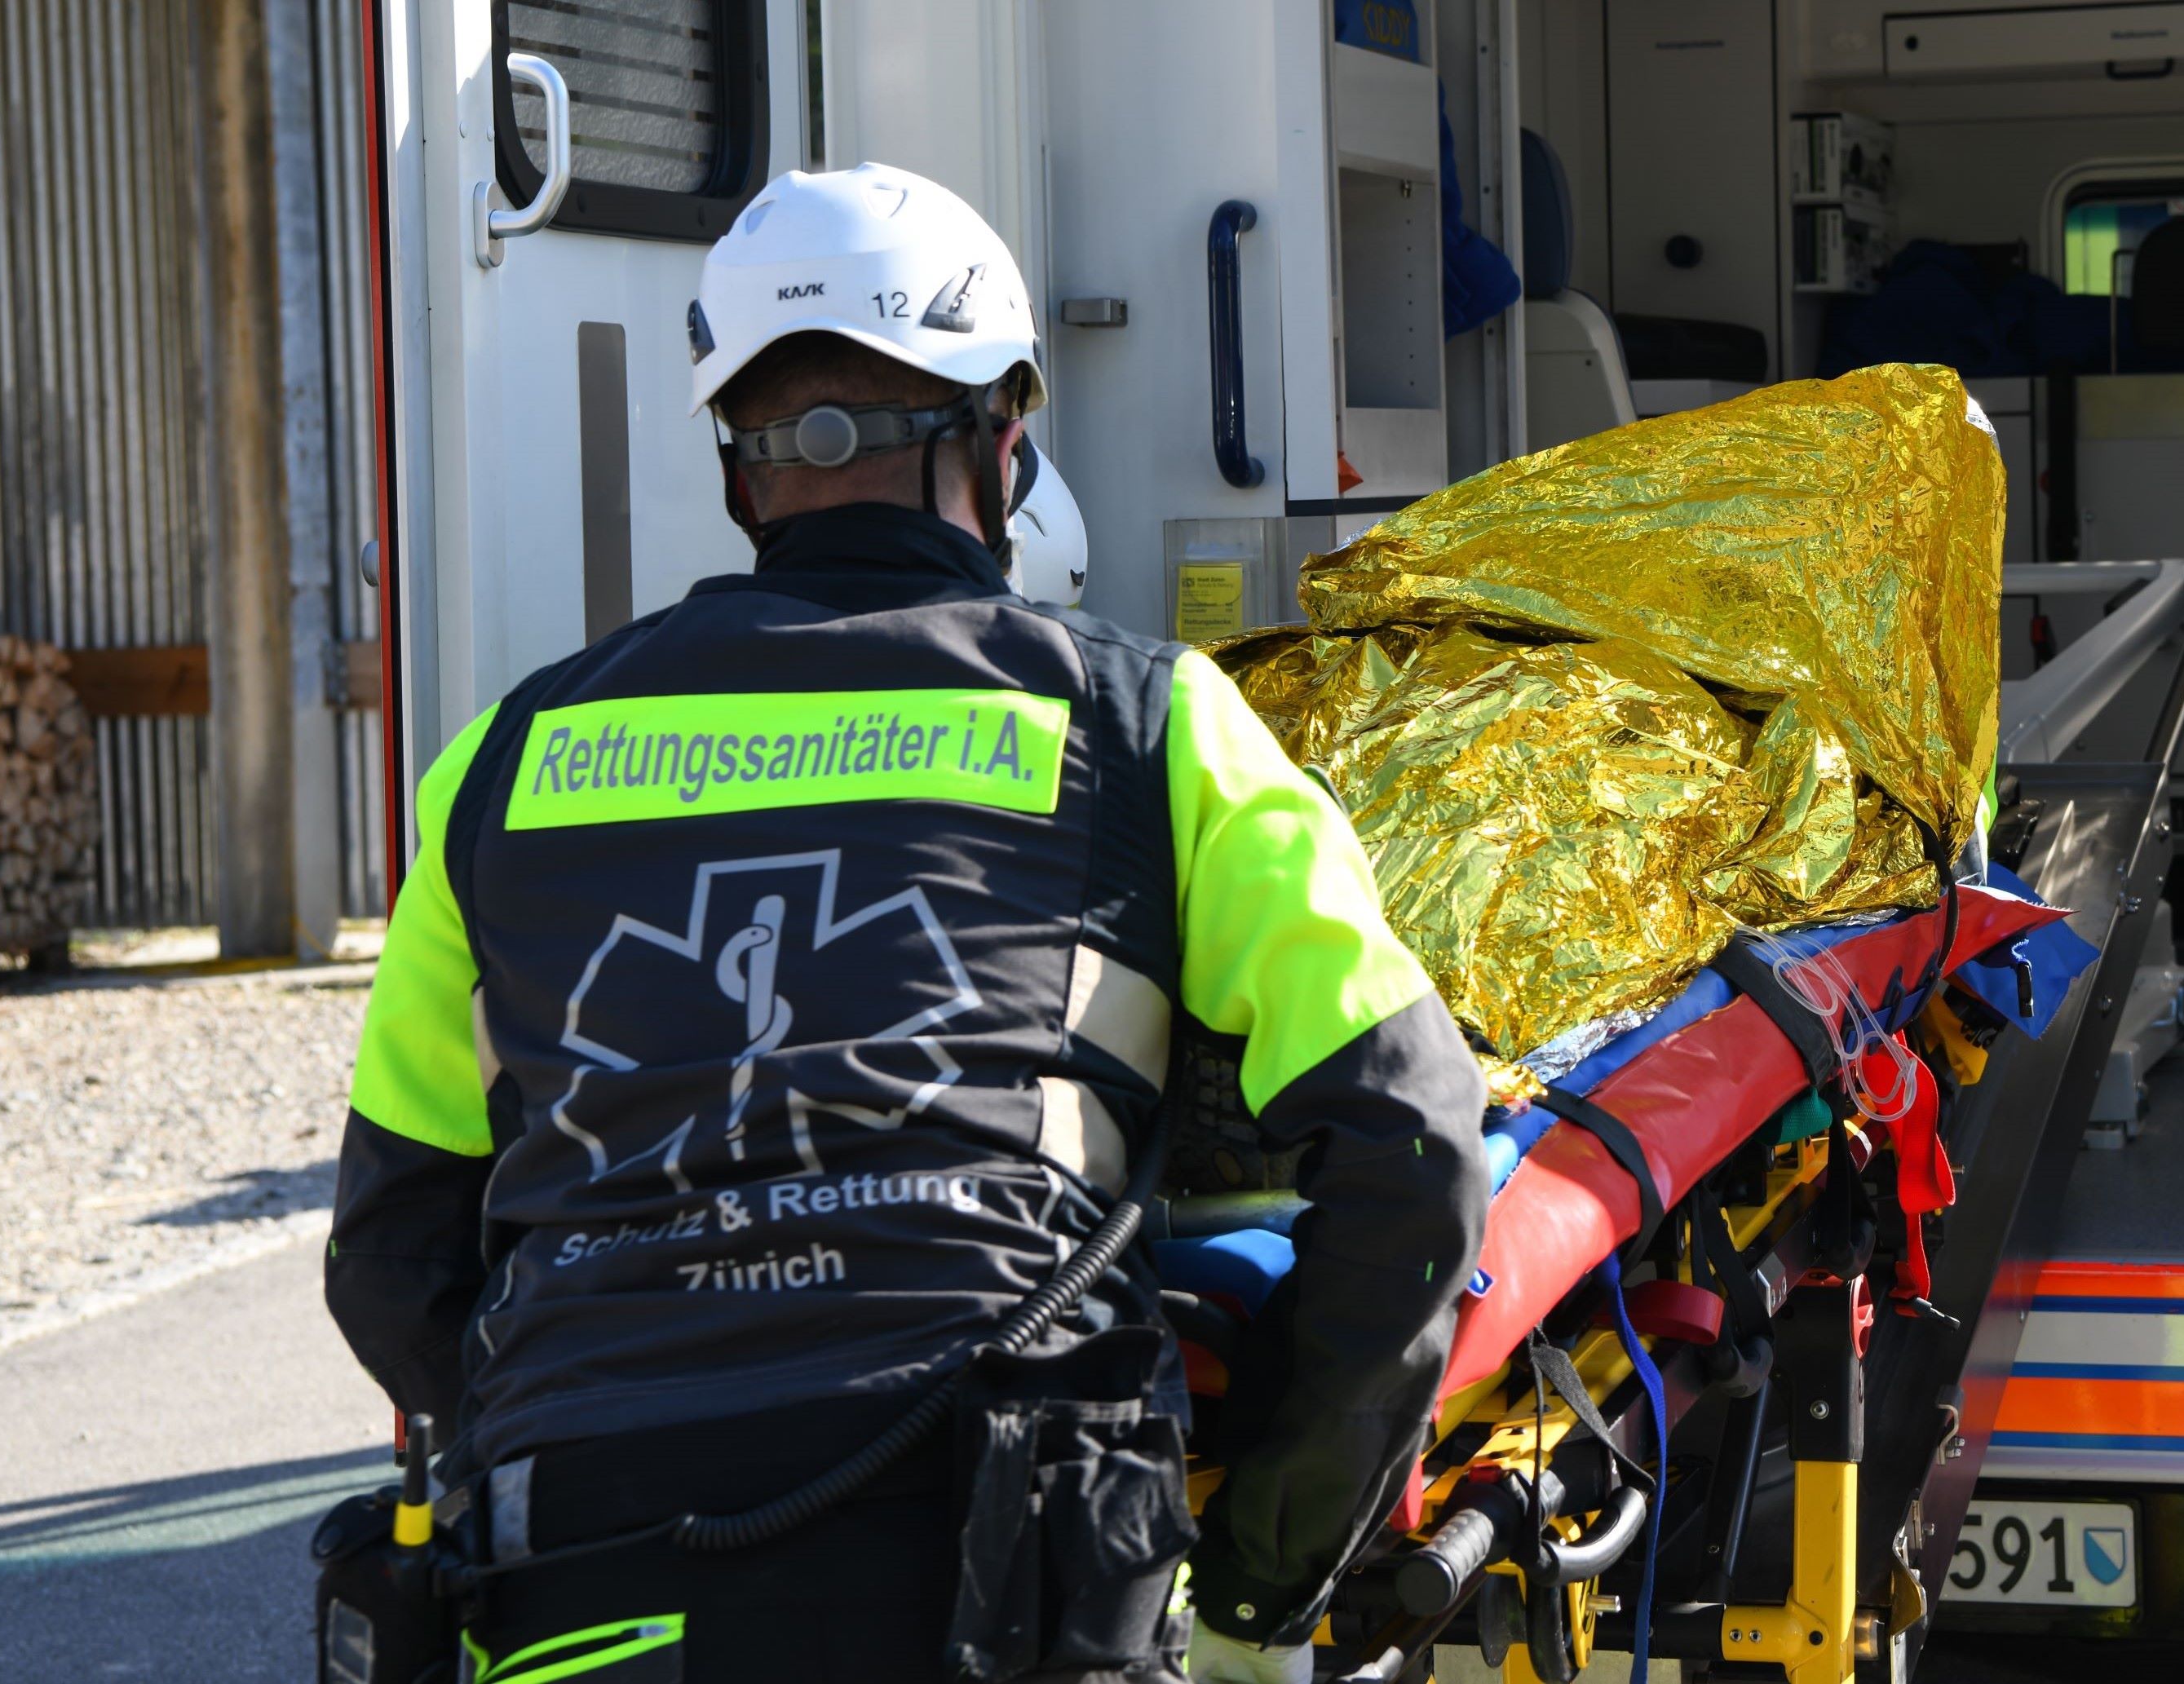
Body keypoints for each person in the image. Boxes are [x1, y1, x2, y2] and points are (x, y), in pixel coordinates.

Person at [323, 163, 1488, 1684]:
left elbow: (394, 1255)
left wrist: (564, 1419)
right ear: (1005, 444)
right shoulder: (1147, 726)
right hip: (1009, 1562)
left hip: (583, 1575)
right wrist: (1261, 1585)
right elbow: (1413, 1144)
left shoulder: (506, 763)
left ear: (742, 471)